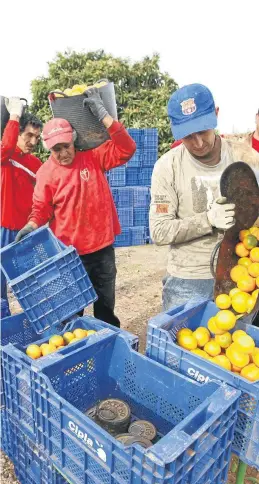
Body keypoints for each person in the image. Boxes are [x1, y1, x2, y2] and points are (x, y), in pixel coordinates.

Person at [15, 88, 136, 327]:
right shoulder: (45, 173)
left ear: (74, 140)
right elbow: (41, 209)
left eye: (66, 146)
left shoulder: (93, 156)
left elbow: (127, 149)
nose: (62, 153)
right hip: (68, 254)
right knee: (71, 314)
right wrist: (31, 225)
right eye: (55, 149)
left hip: (101, 248)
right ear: (49, 149)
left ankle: (110, 340)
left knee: (105, 308)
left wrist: (104, 117)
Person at [150, 83, 259, 311]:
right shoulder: (167, 167)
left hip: (240, 275)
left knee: (236, 343)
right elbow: (159, 231)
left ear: (216, 115)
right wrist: (207, 220)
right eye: (188, 136)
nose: (198, 143)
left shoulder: (247, 158)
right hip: (188, 280)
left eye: (203, 131)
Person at [1, 97, 42, 307]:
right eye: (28, 135)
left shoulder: (35, 163)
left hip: (26, 232)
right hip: (3, 230)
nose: (33, 142)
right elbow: (5, 146)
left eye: (37, 137)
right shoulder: (5, 157)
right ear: (16, 132)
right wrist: (15, 115)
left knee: (31, 286)